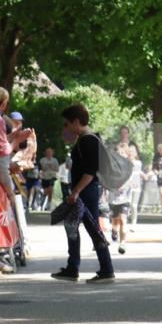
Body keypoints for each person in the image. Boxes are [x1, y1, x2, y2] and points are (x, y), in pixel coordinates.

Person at [51, 104, 115, 283]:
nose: (65, 128)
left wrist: (76, 191)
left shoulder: (89, 140)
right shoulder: (85, 139)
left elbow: (90, 171)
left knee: (92, 229)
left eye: (66, 124)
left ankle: (105, 268)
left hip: (85, 193)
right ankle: (74, 267)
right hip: (83, 192)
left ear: (76, 122)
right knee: (73, 226)